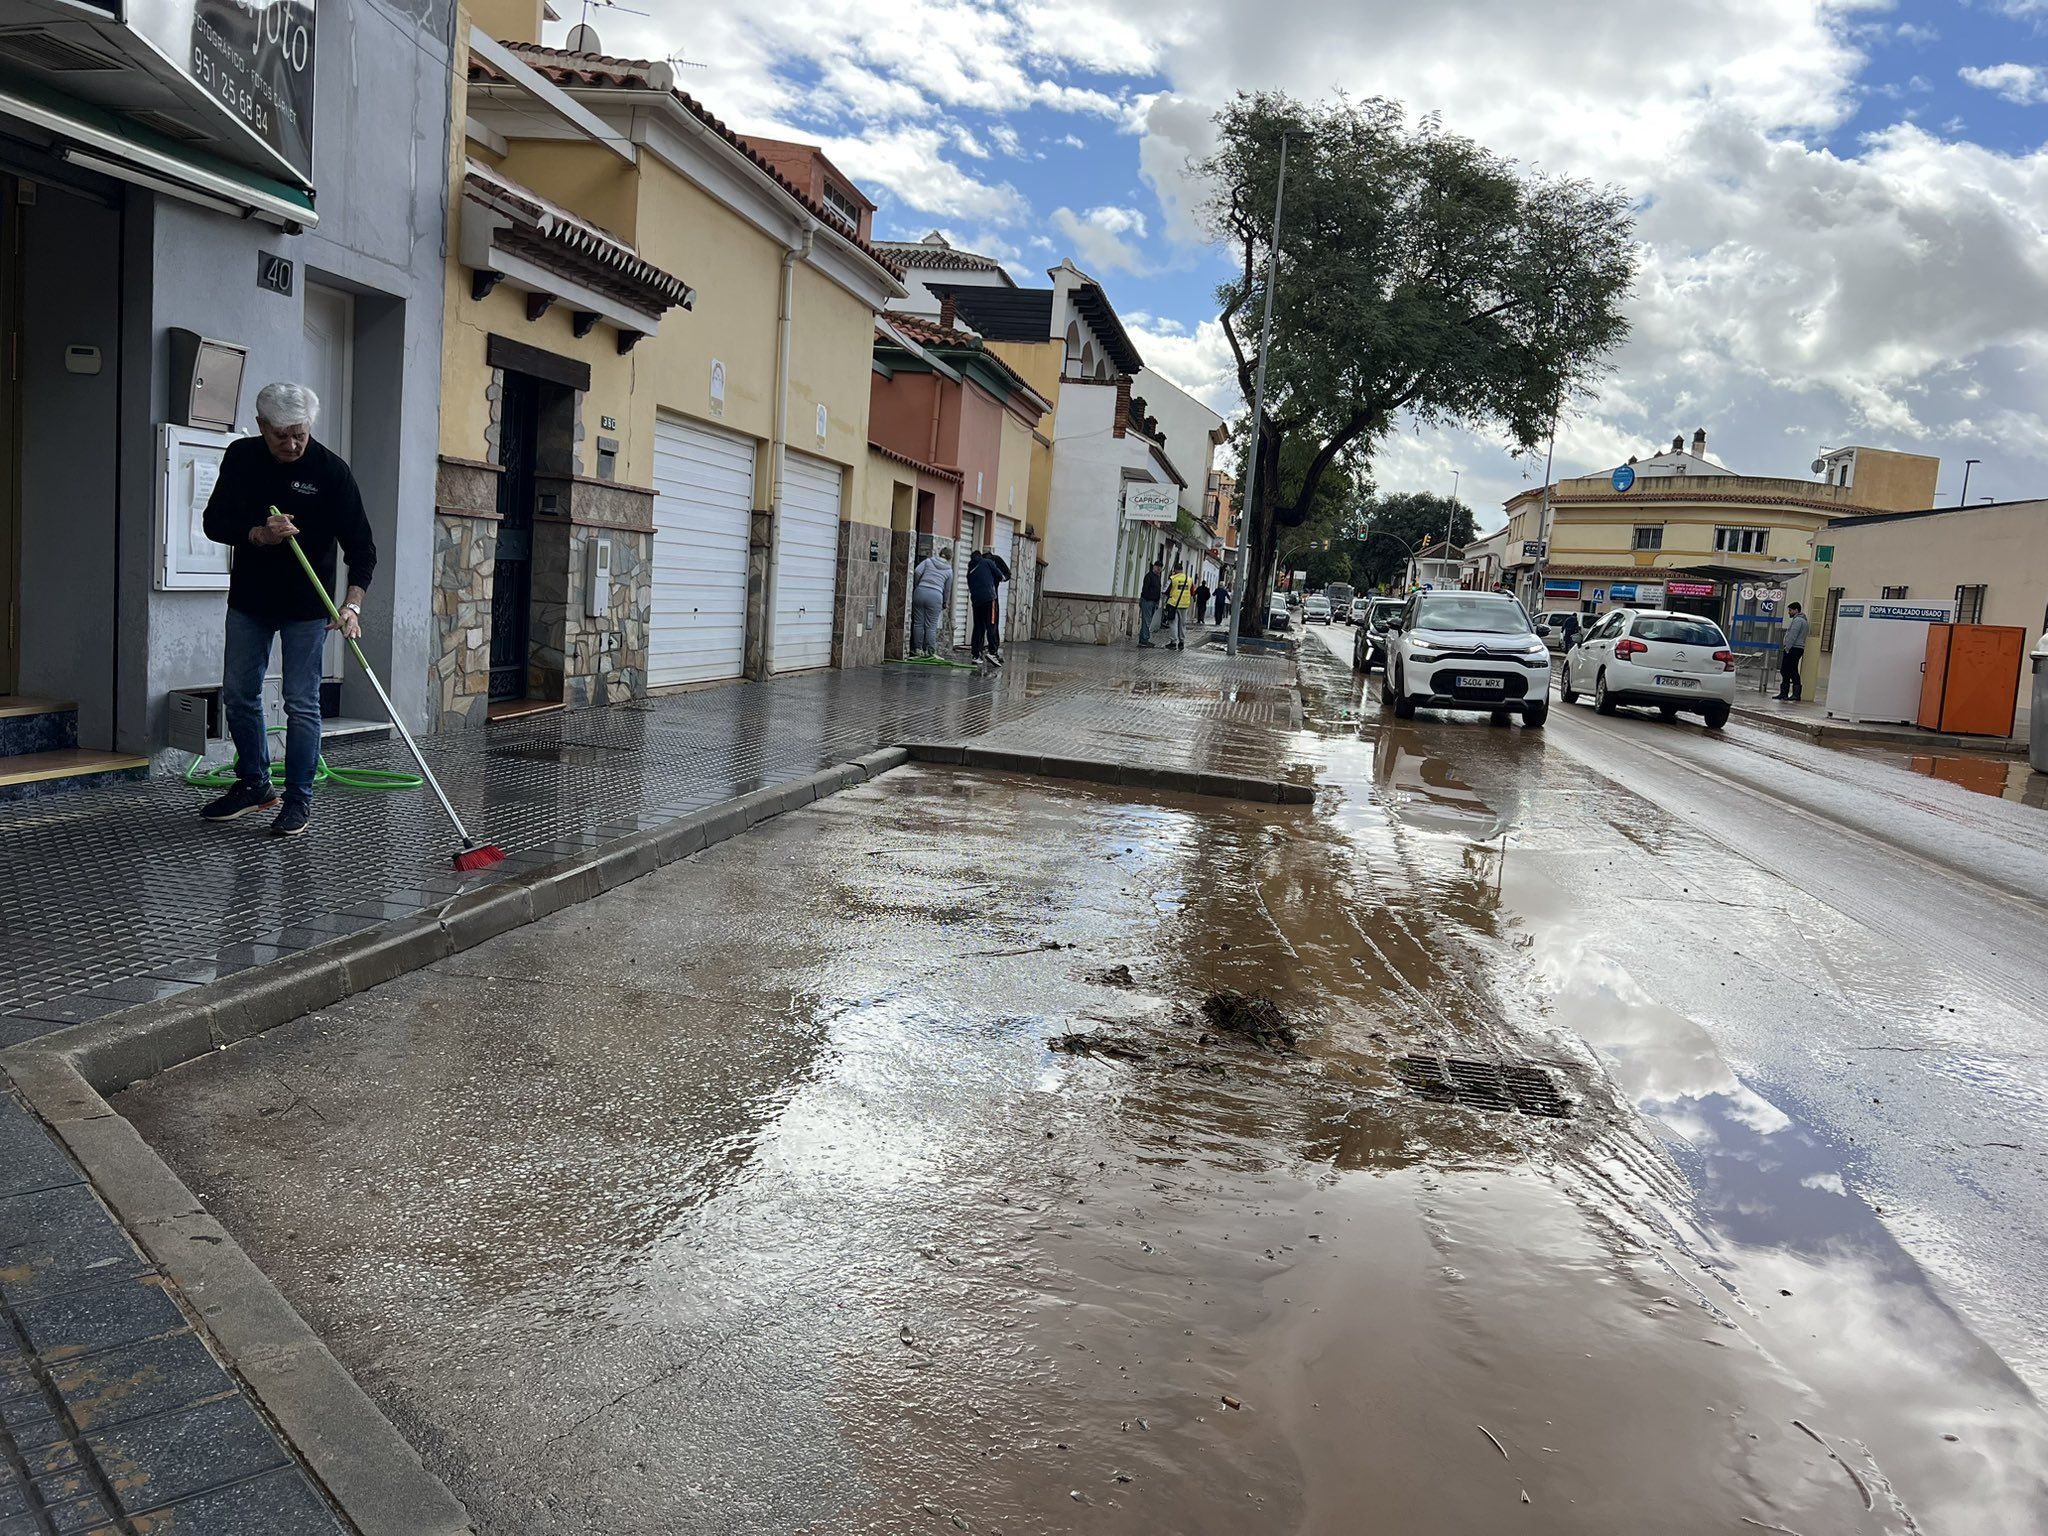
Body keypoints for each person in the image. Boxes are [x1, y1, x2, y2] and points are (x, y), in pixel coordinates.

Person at [199, 382, 375, 839]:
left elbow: (362, 549)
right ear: (262, 426)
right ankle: (255, 784)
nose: (294, 443)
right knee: (240, 695)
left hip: (306, 609)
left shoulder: (331, 471)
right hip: (250, 603)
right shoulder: (241, 458)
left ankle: (298, 799)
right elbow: (214, 522)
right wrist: (259, 533)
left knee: (301, 703)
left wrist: (351, 605)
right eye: (282, 435)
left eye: (300, 433)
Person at [968, 545, 1010, 670]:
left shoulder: (970, 570)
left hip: (976, 601)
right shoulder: (988, 562)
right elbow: (1002, 576)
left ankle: (976, 655)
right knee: (991, 624)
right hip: (990, 598)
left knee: (978, 627)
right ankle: (992, 652)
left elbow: (971, 587)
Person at [910, 544, 954, 657]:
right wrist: (945, 602)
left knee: (918, 623)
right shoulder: (949, 570)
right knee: (931, 625)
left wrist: (917, 586)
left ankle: (917, 649)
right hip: (936, 596)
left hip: (920, 592)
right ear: (950, 558)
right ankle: (929, 652)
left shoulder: (928, 561)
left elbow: (917, 572)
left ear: (939, 554)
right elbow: (947, 589)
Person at [1779, 601, 1809, 700]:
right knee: (1788, 670)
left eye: (1790, 610)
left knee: (1789, 670)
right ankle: (1785, 693)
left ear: (1796, 610)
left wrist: (1787, 647)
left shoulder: (1798, 621)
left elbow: (1793, 635)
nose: (1789, 612)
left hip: (1793, 648)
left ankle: (1793, 694)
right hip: (1797, 648)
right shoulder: (1802, 620)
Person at [1162, 560, 1196, 650]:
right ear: (1182, 569)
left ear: (1175, 570)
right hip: (1184, 605)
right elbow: (1192, 592)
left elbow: (1165, 591)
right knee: (1182, 624)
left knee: (1173, 623)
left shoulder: (1172, 578)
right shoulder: (1189, 579)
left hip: (1173, 604)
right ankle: (1182, 642)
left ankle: (1173, 643)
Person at [1138, 558, 1162, 648]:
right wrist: (1145, 599)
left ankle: (1143, 639)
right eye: (1157, 567)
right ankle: (1144, 640)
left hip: (1153, 602)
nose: (1159, 569)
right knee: (1146, 621)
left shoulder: (1158, 577)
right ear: (1154, 567)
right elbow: (1145, 589)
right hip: (1147, 601)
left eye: (1160, 568)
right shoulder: (1149, 576)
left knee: (1148, 621)